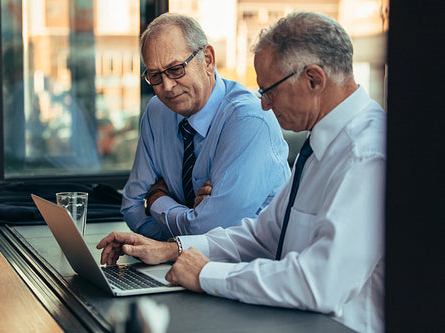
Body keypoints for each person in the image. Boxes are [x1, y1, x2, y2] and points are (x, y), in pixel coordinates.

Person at [98, 11, 385, 333]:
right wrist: (173, 249)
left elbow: (320, 282)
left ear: (314, 79)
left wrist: (206, 274)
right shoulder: (322, 146)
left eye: (269, 90)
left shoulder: (368, 156)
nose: (263, 105)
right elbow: (262, 236)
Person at [122, 13, 290, 240]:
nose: (168, 86)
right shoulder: (157, 111)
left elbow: (213, 231)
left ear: (208, 60)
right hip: (179, 263)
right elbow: (131, 207)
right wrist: (175, 239)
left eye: (176, 69)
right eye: (155, 75)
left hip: (248, 266)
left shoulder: (249, 119)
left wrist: (157, 200)